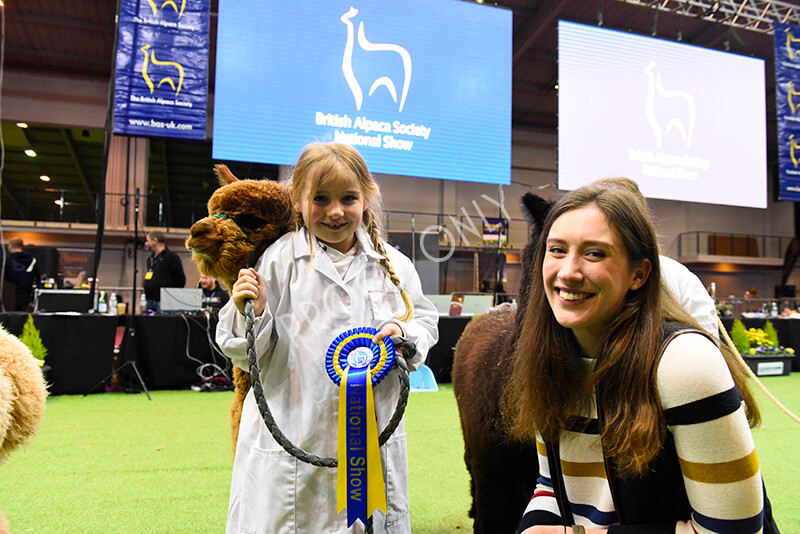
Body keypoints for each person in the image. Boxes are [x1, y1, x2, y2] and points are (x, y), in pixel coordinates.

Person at [504, 182, 764, 533]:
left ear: (639, 274)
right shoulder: (549, 356)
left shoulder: (685, 364)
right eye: (557, 250)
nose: (568, 271)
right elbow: (552, 483)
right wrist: (534, 527)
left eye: (595, 253)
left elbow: (735, 531)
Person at [216, 142, 439, 533]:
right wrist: (254, 308)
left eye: (348, 198)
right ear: (298, 203)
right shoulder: (276, 260)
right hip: (292, 434)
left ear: (366, 201)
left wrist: (404, 333)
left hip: (369, 441)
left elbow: (425, 322)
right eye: (320, 198)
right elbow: (242, 349)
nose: (335, 211)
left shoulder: (396, 265)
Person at [143, 231, 186, 313]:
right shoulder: (150, 259)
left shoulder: (171, 258)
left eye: (147, 240)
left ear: (154, 241)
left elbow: (181, 281)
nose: (146, 243)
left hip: (164, 301)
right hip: (150, 300)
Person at [4, 237, 42, 311]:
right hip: (25, 296)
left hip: (8, 296)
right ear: (22, 247)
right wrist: (33, 298)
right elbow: (38, 278)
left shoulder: (5, 260)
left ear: (10, 247)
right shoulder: (32, 260)